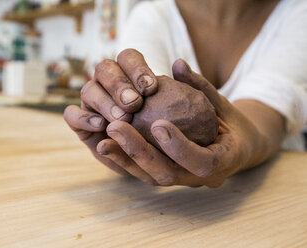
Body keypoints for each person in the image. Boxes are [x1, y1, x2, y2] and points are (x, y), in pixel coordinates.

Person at [64, 0, 307, 187]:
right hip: (169, 212)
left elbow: (266, 109)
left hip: (277, 192)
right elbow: (146, 111)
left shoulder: (299, 14)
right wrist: (114, 119)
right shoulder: (151, 17)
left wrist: (238, 146)